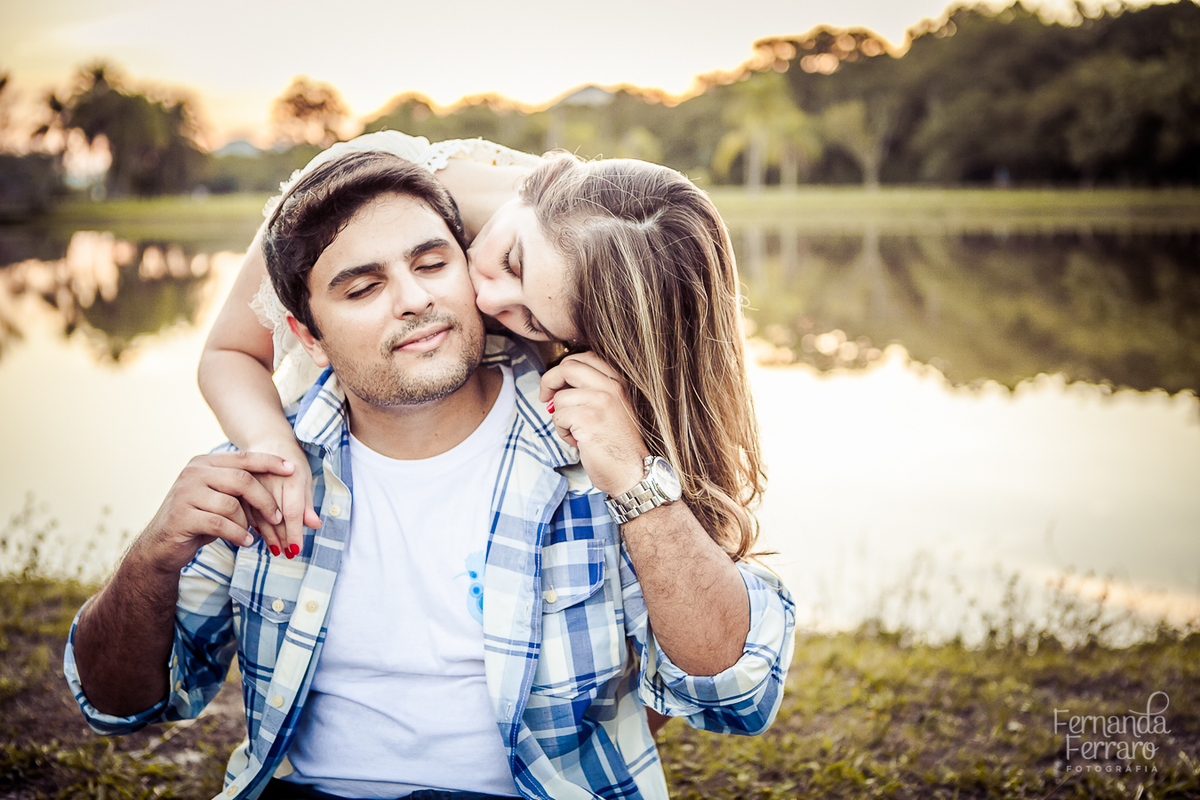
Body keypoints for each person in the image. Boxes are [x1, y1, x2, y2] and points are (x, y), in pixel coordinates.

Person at [65, 151, 795, 800]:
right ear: (305, 334)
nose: (413, 299)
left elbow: (735, 696)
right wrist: (153, 552)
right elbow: (116, 704)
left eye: (433, 264)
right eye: (361, 289)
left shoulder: (602, 449)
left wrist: (640, 489)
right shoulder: (264, 470)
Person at [199, 132, 765, 579]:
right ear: (532, 185)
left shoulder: (602, 283)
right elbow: (228, 353)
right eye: (513, 262)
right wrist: (278, 449)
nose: (488, 298)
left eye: (534, 321)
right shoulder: (365, 186)